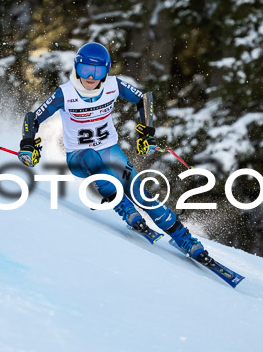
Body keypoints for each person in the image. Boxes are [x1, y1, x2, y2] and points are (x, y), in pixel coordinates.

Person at [17, 42, 207, 259]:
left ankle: (185, 239)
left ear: (106, 72)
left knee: (141, 193)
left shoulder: (113, 85)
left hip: (110, 150)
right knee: (92, 159)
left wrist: (147, 133)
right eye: (85, 69)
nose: (90, 77)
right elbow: (33, 118)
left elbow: (144, 99)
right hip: (80, 157)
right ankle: (124, 208)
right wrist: (28, 145)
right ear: (77, 68)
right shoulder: (65, 94)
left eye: (97, 71)